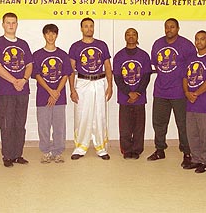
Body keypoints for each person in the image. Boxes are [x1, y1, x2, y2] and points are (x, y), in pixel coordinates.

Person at [148, 18, 196, 168]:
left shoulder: (187, 45)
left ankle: (187, 153)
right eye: (167, 27)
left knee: (183, 124)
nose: (169, 29)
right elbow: (156, 63)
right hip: (161, 91)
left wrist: (189, 89)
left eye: (172, 27)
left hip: (180, 92)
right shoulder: (157, 44)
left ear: (178, 28)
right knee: (159, 123)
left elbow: (193, 68)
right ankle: (160, 149)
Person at [68, 17, 113, 160]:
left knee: (99, 115)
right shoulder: (75, 46)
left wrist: (110, 86)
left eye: (91, 26)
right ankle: (80, 147)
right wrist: (72, 90)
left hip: (99, 82)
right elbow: (71, 70)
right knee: (82, 116)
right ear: (81, 29)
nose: (89, 29)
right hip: (82, 82)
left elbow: (107, 66)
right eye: (86, 26)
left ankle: (101, 147)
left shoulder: (102, 45)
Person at [0, 12, 33, 167]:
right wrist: (14, 80)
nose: (11, 25)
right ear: (3, 24)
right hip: (5, 91)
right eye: (8, 22)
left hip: (22, 90)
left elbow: (29, 65)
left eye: (13, 22)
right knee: (7, 123)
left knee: (19, 123)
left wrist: (23, 80)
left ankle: (18, 154)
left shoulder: (23, 44)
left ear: (17, 24)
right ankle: (7, 155)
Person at [32, 24, 73, 163]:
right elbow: (37, 75)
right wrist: (50, 91)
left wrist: (56, 92)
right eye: (48, 33)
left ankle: (58, 151)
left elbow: (66, 75)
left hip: (59, 97)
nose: (50, 36)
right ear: (44, 35)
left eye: (53, 33)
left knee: (59, 126)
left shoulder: (63, 54)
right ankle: (45, 152)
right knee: (43, 126)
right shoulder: (37, 55)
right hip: (43, 96)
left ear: (57, 35)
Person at [113, 28, 151, 159]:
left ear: (137, 37)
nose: (131, 36)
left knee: (139, 127)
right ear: (125, 37)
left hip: (140, 98)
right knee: (125, 127)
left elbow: (146, 76)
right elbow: (117, 78)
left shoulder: (144, 55)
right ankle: (127, 150)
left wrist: (137, 93)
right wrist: (129, 93)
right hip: (124, 97)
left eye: (133, 34)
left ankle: (137, 150)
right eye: (128, 34)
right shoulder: (118, 56)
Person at [182, 30, 206, 173]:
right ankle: (195, 158)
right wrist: (187, 93)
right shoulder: (190, 58)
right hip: (191, 102)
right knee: (192, 133)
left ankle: (205, 160)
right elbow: (184, 78)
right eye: (197, 39)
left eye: (202, 39)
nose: (199, 42)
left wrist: (195, 93)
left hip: (205, 103)